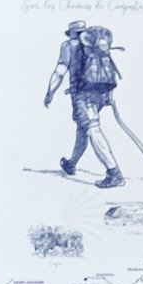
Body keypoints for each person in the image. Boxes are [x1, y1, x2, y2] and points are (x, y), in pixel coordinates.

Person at [45, 21, 124, 190]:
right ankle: (71, 163)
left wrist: (50, 92)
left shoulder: (69, 46)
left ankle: (114, 173)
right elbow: (106, 69)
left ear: (72, 33)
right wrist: (109, 95)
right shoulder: (96, 45)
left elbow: (60, 71)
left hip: (83, 94)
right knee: (83, 129)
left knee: (93, 129)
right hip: (101, 93)